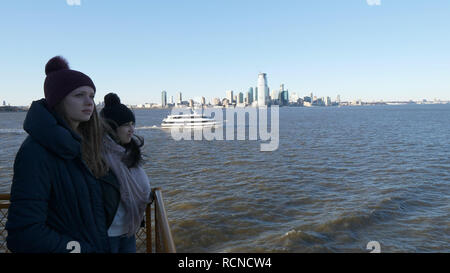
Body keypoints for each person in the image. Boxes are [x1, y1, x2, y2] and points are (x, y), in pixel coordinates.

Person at [6, 56, 121, 253]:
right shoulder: (35, 152)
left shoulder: (83, 144)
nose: (89, 102)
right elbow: (24, 234)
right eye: (78, 95)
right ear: (58, 100)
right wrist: (80, 250)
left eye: (92, 96)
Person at [100, 93, 152, 253]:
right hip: (107, 233)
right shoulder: (98, 156)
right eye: (126, 125)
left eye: (132, 124)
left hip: (128, 228)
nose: (132, 129)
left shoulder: (128, 152)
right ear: (111, 126)